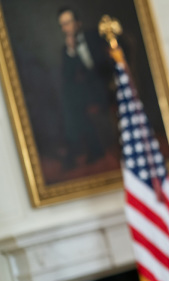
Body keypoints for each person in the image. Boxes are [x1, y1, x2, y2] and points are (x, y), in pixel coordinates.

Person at [57, 6, 118, 169]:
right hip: (85, 94)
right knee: (69, 101)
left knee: (72, 104)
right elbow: (68, 77)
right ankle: (86, 149)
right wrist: (71, 50)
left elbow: (108, 63)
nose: (66, 28)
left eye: (68, 23)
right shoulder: (66, 49)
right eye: (62, 25)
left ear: (78, 23)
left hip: (103, 85)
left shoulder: (94, 37)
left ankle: (76, 151)